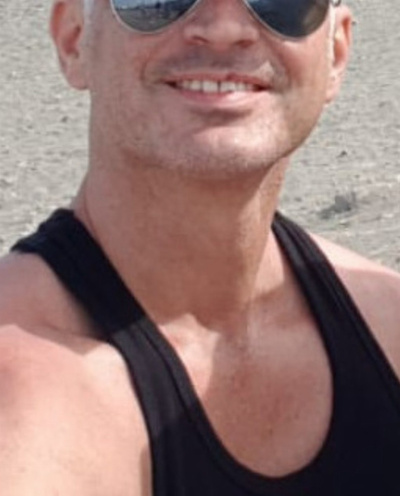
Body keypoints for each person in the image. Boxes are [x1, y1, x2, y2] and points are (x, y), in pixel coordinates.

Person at [1, 0, 400, 493]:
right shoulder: (21, 394)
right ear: (74, 39)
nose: (224, 29)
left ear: (335, 52)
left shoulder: (388, 328)